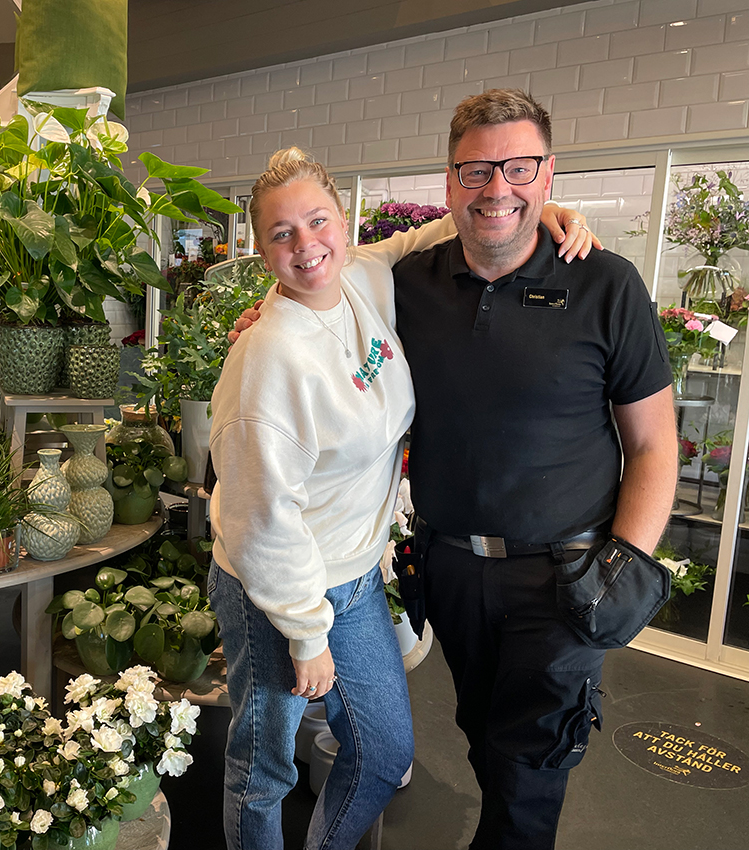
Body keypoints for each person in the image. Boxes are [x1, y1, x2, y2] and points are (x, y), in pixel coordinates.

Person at [207, 145, 595, 850]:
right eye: (281, 233)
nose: (306, 245)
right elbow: (260, 520)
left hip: (354, 575)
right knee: (264, 769)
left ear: (344, 221)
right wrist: (306, 634)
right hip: (276, 589)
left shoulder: (363, 276)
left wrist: (539, 212)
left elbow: (440, 231)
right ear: (260, 250)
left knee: (384, 756)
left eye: (317, 221)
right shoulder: (269, 357)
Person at [390, 89, 677, 850]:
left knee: (529, 770)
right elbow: (324, 284)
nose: (498, 188)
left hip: (567, 577)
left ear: (549, 174)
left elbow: (655, 445)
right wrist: (270, 315)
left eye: (519, 168)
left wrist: (623, 564)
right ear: (450, 181)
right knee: (484, 738)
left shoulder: (607, 285)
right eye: (477, 171)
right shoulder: (409, 286)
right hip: (450, 569)